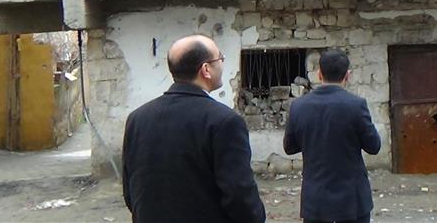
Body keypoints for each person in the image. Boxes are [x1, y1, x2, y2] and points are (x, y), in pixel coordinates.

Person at [122, 34, 265, 223]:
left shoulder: (137, 118)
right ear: (206, 69)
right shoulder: (225, 121)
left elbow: (131, 190)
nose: (222, 63)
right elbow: (239, 196)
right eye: (220, 58)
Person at [284, 49, 381, 223]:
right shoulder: (356, 105)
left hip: (316, 200)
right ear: (347, 75)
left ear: (319, 74)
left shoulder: (299, 106)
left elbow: (290, 147)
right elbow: (374, 146)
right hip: (352, 200)